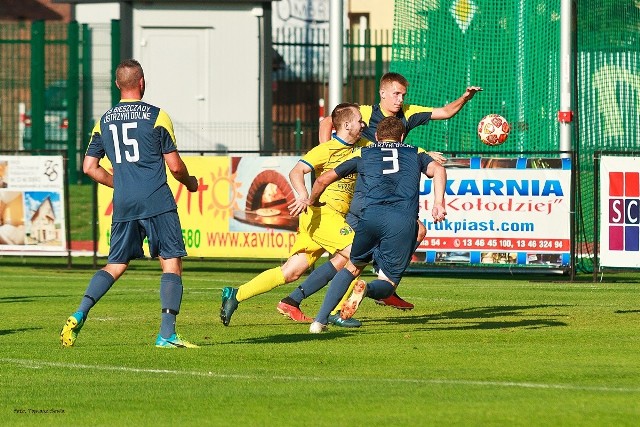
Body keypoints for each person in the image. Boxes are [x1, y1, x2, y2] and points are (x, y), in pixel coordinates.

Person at [59, 59, 200, 349]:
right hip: (157, 200)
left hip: (124, 203)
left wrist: (118, 184)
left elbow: (88, 166)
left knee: (115, 264)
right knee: (170, 262)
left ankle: (79, 312)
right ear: (142, 82)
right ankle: (167, 334)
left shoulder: (105, 120)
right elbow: (174, 167)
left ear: (117, 85)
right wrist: (190, 182)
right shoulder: (157, 116)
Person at [315, 72, 480, 310]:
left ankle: (383, 283)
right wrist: (329, 152)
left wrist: (465, 97)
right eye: (396, 93)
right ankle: (318, 300)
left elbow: (444, 112)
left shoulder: (408, 113)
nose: (400, 99)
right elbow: (328, 121)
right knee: (346, 260)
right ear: (382, 93)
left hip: (385, 190)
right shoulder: (366, 113)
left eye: (403, 94)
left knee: (413, 232)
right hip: (366, 190)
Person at [219, 103, 368, 327]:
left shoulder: (363, 145)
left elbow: (390, 147)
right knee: (357, 254)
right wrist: (302, 194)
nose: (363, 124)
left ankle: (236, 294)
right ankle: (337, 312)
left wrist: (423, 155)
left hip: (324, 219)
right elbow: (296, 170)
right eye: (359, 120)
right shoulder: (326, 149)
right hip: (323, 215)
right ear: (347, 125)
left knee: (290, 272)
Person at [304, 116, 447, 333]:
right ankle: (368, 289)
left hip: (370, 218)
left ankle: (319, 321)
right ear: (401, 137)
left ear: (377, 137)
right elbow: (438, 170)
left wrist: (312, 202)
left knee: (352, 266)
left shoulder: (364, 152)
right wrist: (438, 203)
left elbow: (323, 179)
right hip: (401, 221)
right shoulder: (415, 153)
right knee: (388, 285)